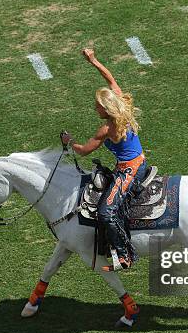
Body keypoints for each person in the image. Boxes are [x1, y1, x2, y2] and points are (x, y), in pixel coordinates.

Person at [62, 48, 147, 270]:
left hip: (130, 170)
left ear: (106, 108)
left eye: (97, 105)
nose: (95, 107)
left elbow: (83, 151)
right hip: (139, 162)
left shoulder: (107, 129)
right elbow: (110, 78)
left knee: (106, 212)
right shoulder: (122, 105)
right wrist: (93, 60)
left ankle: (125, 255)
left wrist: (69, 141)